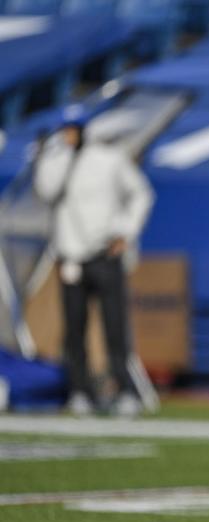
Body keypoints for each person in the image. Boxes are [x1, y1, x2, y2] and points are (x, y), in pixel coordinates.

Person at [33, 116, 154, 417]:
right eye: (65, 131)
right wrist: (52, 157)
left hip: (105, 253)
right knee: (74, 330)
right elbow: (46, 191)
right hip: (71, 255)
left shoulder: (109, 159)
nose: (68, 136)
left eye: (73, 131)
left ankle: (124, 391)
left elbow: (141, 194)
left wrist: (125, 232)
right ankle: (80, 391)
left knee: (115, 327)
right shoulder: (57, 160)